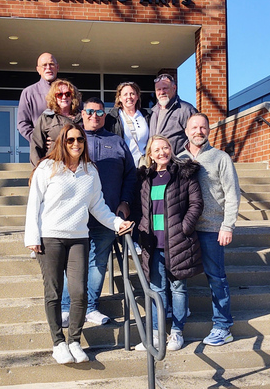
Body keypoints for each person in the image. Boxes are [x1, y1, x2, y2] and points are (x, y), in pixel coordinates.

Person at [25, 123, 133, 364]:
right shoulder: (47, 168)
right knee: (53, 292)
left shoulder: (90, 171)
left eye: (80, 140)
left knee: (79, 293)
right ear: (62, 142)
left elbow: (98, 206)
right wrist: (32, 238)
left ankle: (74, 340)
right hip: (50, 237)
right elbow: (34, 204)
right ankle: (58, 343)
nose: (76, 144)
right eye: (70, 140)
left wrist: (117, 224)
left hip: (78, 238)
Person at [61, 98, 136, 327]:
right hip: (75, 216)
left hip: (107, 215)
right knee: (71, 264)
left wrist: (125, 201)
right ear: (82, 114)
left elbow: (131, 174)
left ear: (105, 115)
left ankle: (90, 307)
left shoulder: (117, 141)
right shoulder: (73, 140)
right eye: (90, 112)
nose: (95, 116)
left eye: (100, 112)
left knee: (98, 262)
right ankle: (66, 308)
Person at [135, 135, 203, 352]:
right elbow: (141, 209)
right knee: (156, 289)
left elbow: (196, 203)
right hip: (153, 244)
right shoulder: (146, 178)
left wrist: (185, 228)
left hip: (177, 241)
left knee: (178, 288)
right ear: (150, 154)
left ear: (171, 149)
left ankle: (177, 332)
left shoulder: (183, 174)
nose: (161, 152)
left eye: (165, 148)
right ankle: (156, 333)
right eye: (156, 150)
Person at [179, 113, 241, 346]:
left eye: (203, 127)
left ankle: (223, 326)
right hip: (185, 230)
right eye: (194, 127)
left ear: (208, 130)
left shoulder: (220, 158)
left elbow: (232, 194)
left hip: (213, 228)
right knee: (179, 275)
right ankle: (179, 316)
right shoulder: (179, 159)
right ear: (186, 131)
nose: (198, 131)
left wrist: (227, 225)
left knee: (216, 278)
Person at [30, 79, 82, 166]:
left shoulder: (82, 117)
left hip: (78, 166)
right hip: (53, 166)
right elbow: (36, 146)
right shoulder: (47, 118)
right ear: (54, 97)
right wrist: (37, 170)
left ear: (73, 96)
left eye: (67, 94)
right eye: (59, 95)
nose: (64, 97)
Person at [148, 73, 197, 155]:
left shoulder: (185, 110)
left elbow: (196, 137)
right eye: (158, 90)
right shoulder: (153, 112)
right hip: (158, 163)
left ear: (174, 88)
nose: (162, 92)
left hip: (179, 163)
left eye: (165, 88)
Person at [105, 81, 152, 166]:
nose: (129, 97)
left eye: (132, 94)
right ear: (119, 98)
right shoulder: (112, 118)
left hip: (144, 165)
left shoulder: (146, 116)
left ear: (137, 96)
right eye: (125, 94)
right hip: (122, 165)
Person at [17, 52, 59, 143]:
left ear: (57, 67)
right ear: (38, 70)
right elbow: (22, 124)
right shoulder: (29, 93)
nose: (48, 68)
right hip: (40, 151)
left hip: (66, 149)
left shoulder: (68, 91)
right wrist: (39, 140)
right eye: (44, 65)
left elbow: (78, 119)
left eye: (51, 64)